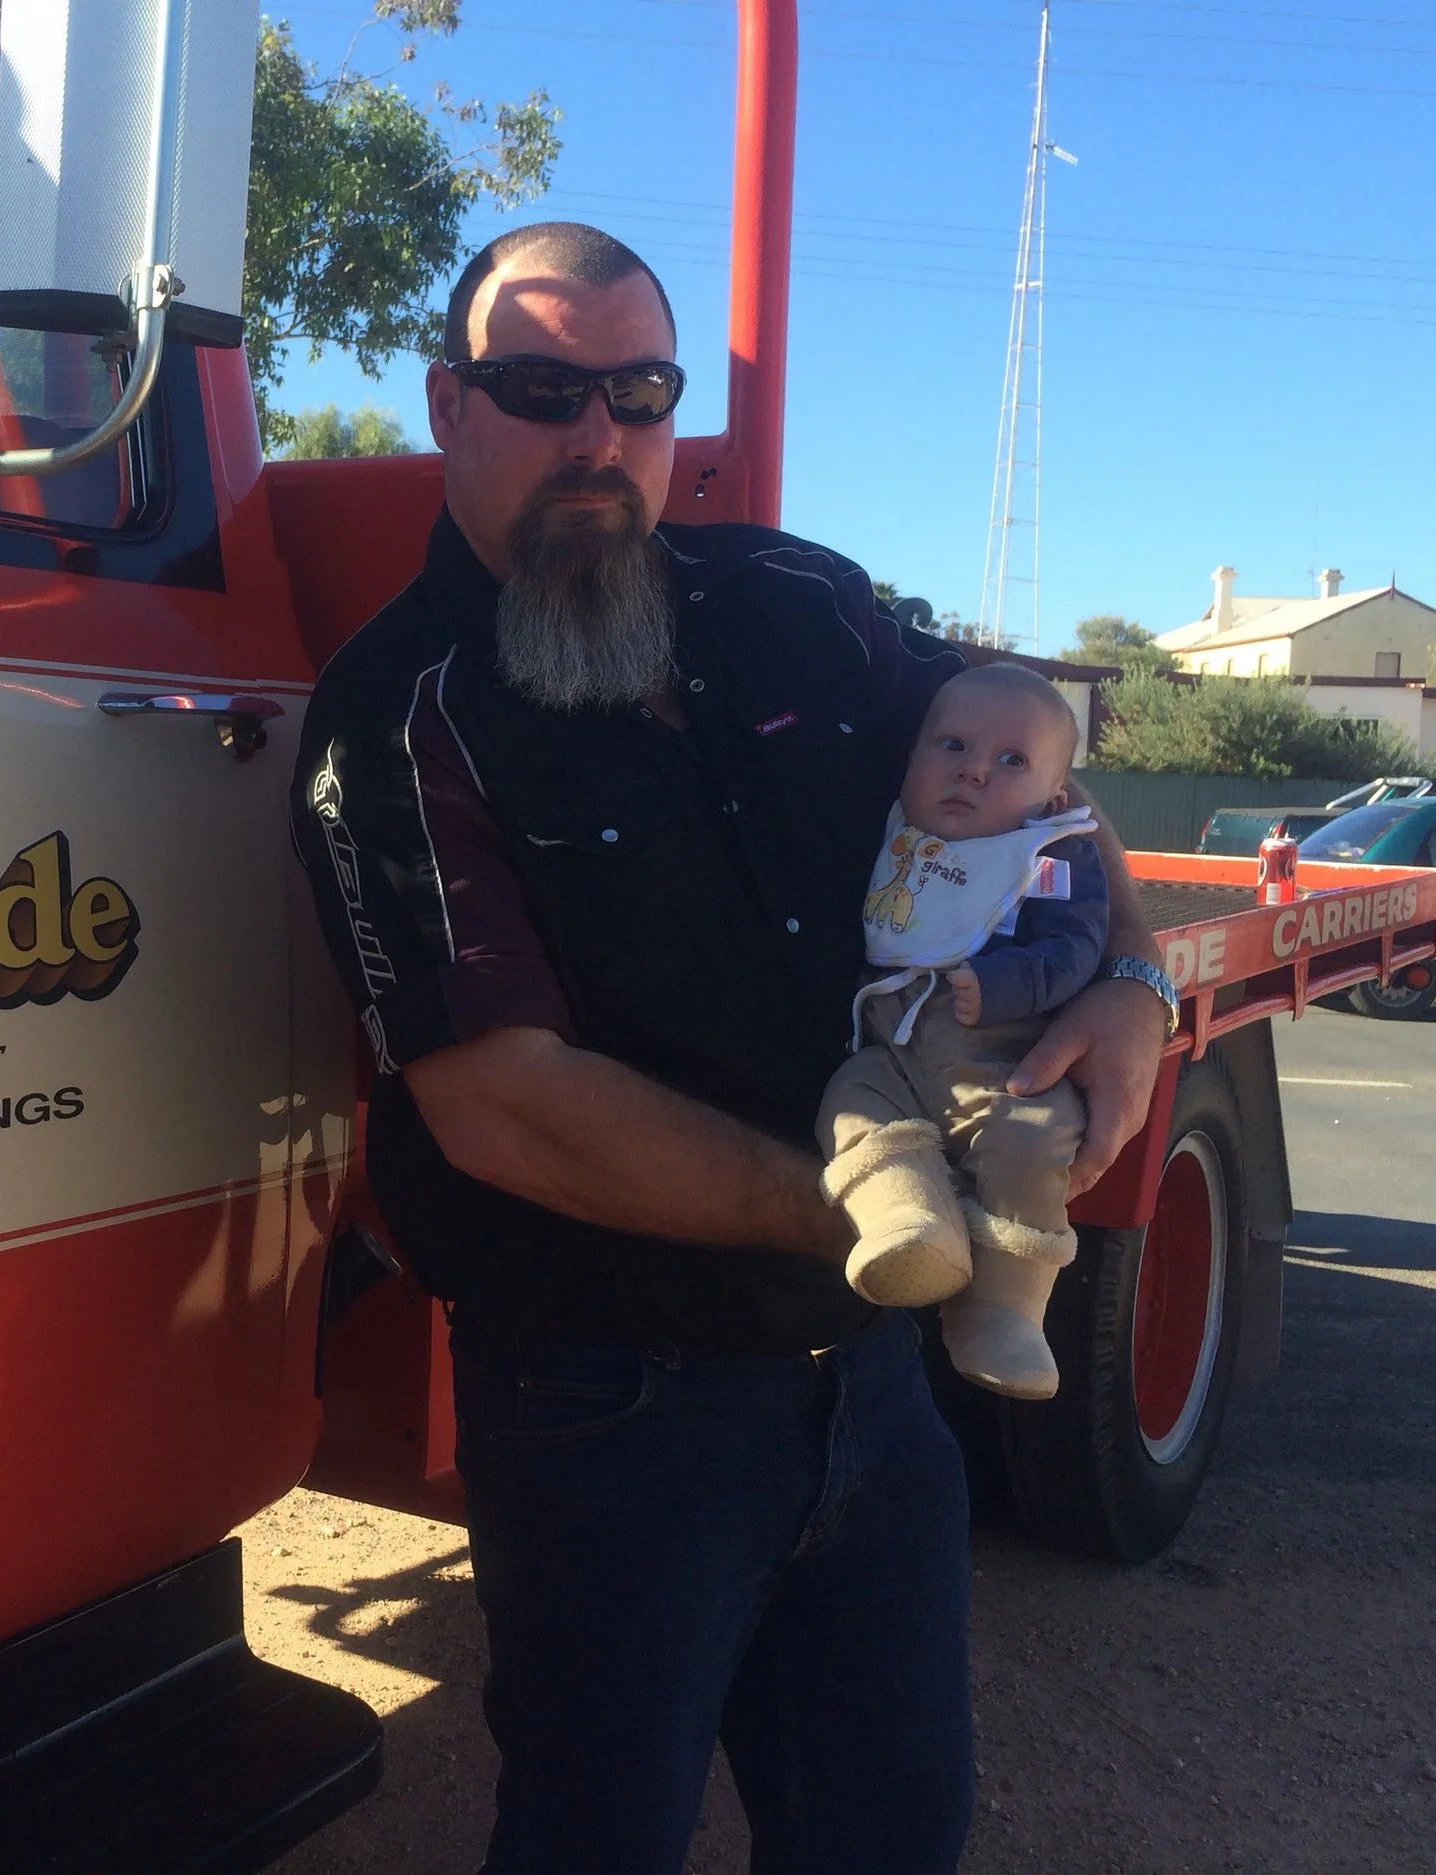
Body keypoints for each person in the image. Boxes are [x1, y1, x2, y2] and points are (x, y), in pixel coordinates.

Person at [287, 221, 1178, 1873]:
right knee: (595, 1837)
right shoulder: (391, 721)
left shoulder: (799, 603)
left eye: (637, 391)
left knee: (887, 1833)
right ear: (448, 404)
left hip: (877, 1392)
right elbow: (508, 1115)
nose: (597, 437)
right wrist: (871, 1213)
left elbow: (1039, 795)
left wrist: (1134, 979)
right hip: (612, 1406)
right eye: (543, 387)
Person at [819, 663, 1109, 1400]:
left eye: (1011, 761)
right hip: (894, 1044)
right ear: (911, 759)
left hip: (1004, 1058)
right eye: (952, 746)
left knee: (1032, 1140)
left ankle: (1006, 1310)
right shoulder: (895, 835)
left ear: (1055, 796)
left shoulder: (1046, 857)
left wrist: (1010, 983)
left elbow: (1075, 943)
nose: (974, 771)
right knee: (850, 1104)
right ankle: (913, 1226)